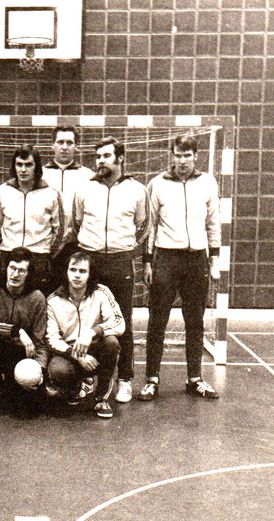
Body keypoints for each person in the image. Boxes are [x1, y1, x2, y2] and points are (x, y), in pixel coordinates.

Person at [141, 134, 221, 400]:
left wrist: (214, 260)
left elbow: (213, 222)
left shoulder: (208, 183)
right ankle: (152, 379)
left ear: (196, 156)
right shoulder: (158, 184)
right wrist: (147, 261)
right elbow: (149, 226)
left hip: (196, 260)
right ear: (171, 155)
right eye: (178, 155)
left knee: (195, 322)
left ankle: (194, 378)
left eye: (188, 155)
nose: (183, 160)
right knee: (158, 321)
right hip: (166, 258)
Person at [73, 136, 150, 404]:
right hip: (91, 260)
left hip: (120, 261)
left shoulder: (137, 190)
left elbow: (143, 227)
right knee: (89, 320)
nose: (100, 161)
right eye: (98, 157)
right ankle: (88, 377)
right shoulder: (85, 189)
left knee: (122, 322)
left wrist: (122, 247)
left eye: (106, 156)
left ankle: (125, 379)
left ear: (120, 159)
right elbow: (77, 222)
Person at [45, 252, 124, 418]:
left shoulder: (102, 293)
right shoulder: (53, 300)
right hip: (70, 353)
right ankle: (75, 387)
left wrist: (92, 332)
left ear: (89, 274)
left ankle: (101, 398)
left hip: (94, 347)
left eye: (82, 271)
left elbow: (119, 322)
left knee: (111, 343)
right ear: (66, 272)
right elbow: (51, 339)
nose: (77, 275)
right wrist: (77, 355)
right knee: (58, 370)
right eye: (73, 270)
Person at [0, 247, 49, 416]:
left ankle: (14, 387)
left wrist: (40, 370)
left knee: (29, 410)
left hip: (20, 354)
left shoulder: (37, 297)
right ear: (5, 268)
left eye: (21, 270)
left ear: (28, 273)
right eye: (12, 268)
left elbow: (39, 340)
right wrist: (16, 331)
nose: (15, 274)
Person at [0, 144, 63, 294]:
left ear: (36, 167)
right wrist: (6, 246)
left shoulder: (51, 194)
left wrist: (46, 252)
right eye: (19, 165)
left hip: (39, 258)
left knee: (38, 303)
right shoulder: (2, 191)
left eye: (28, 165)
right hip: (9, 256)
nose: (23, 170)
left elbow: (59, 229)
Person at [42, 126, 95, 284]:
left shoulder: (88, 176)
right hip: (47, 247)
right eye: (60, 142)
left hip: (75, 246)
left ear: (76, 146)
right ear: (53, 145)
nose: (64, 147)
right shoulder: (41, 174)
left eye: (69, 143)